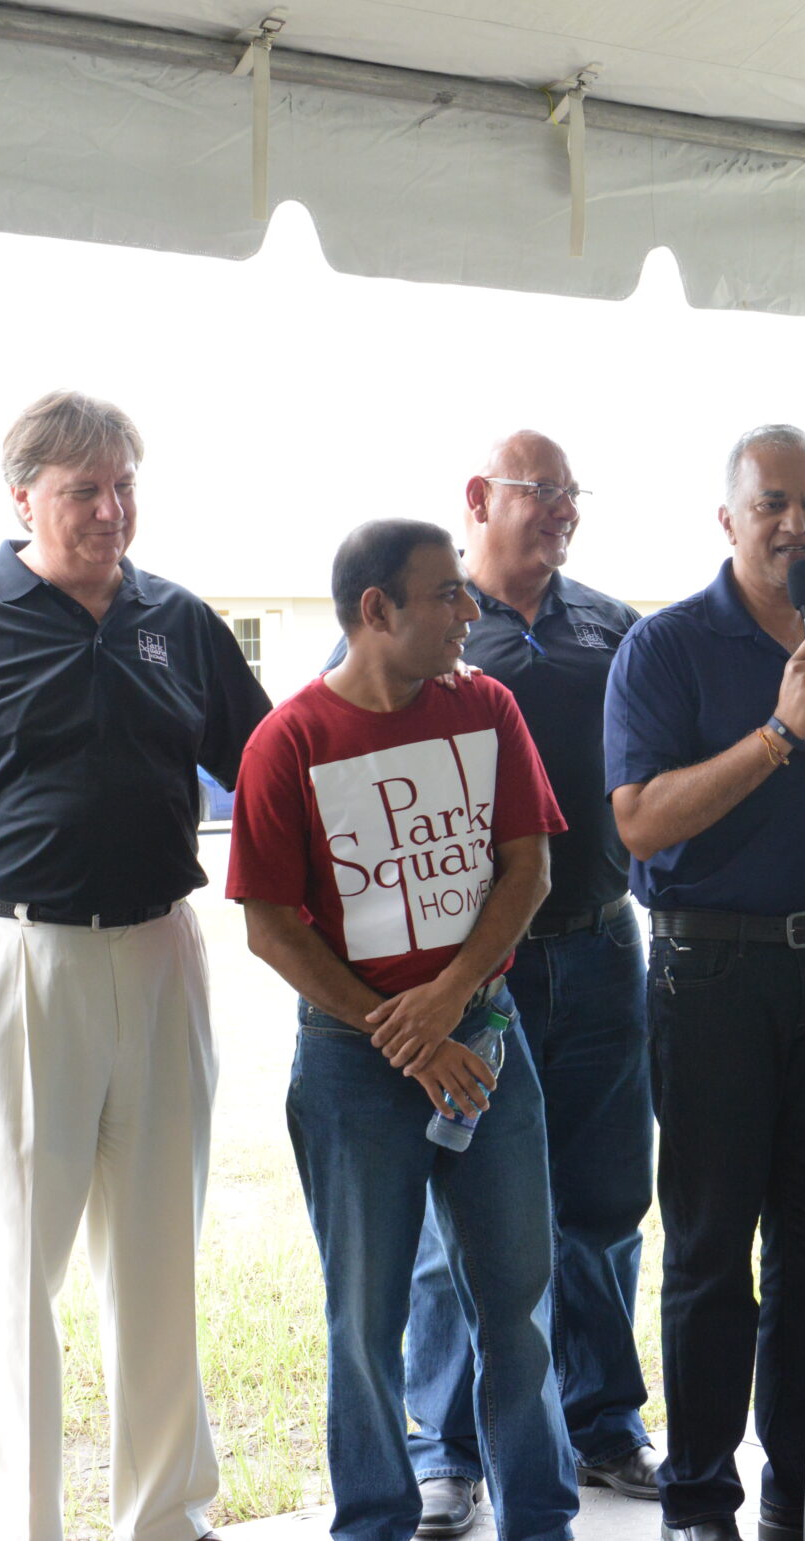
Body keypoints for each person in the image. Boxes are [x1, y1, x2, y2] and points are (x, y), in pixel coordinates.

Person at [0, 391, 271, 1541]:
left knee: (159, 1255)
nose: (112, 511)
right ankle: (13, 1524)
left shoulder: (178, 619)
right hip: (13, 955)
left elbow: (272, 764)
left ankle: (168, 1516)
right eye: (83, 491)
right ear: (23, 499)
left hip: (162, 950)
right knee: (13, 1268)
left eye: (124, 487)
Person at [231, 517, 577, 1541]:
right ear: (376, 610)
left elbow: (528, 866)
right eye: (446, 596)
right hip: (355, 1065)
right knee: (364, 1321)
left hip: (488, 1041)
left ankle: (541, 1520)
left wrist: (454, 994)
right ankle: (373, 1522)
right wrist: (409, 1035)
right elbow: (269, 926)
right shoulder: (289, 739)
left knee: (516, 1303)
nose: (469, 613)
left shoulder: (487, 707)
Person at [339, 434, 659, 1534]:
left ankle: (605, 1419)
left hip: (602, 942)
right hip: (475, 975)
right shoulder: (424, 633)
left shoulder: (614, 627)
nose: (563, 509)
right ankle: (449, 1449)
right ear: (479, 500)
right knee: (452, 1228)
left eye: (574, 491)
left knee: (606, 1200)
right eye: (542, 491)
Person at [603, 425, 805, 1541]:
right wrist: (781, 732)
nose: (795, 522)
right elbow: (638, 820)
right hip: (710, 969)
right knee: (706, 1244)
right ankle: (698, 1495)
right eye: (772, 502)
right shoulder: (666, 648)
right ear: (727, 520)